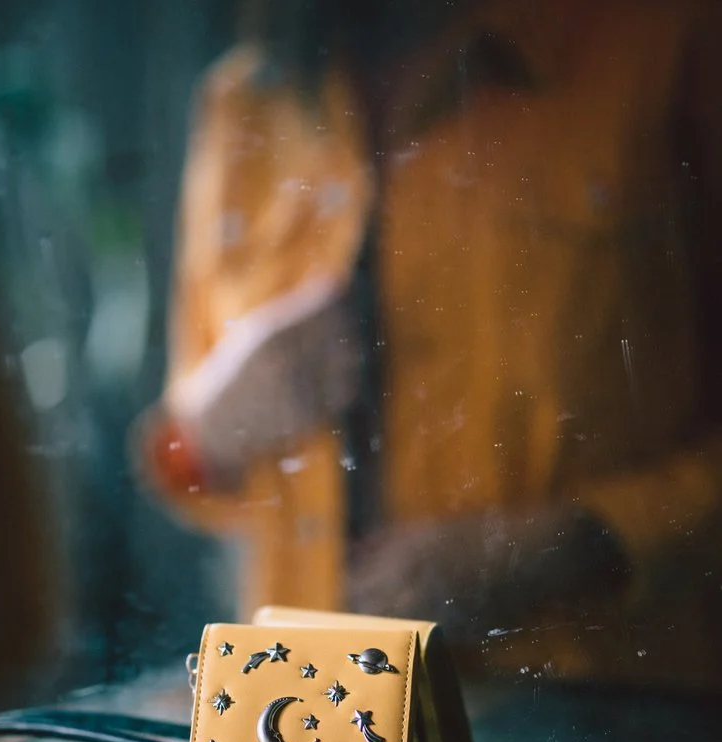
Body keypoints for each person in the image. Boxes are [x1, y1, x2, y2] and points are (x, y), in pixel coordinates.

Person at [135, 0, 722, 691]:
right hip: (305, 717)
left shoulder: (666, 41)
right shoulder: (243, 100)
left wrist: (578, 543)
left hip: (601, 722)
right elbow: (191, 452)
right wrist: (209, 425)